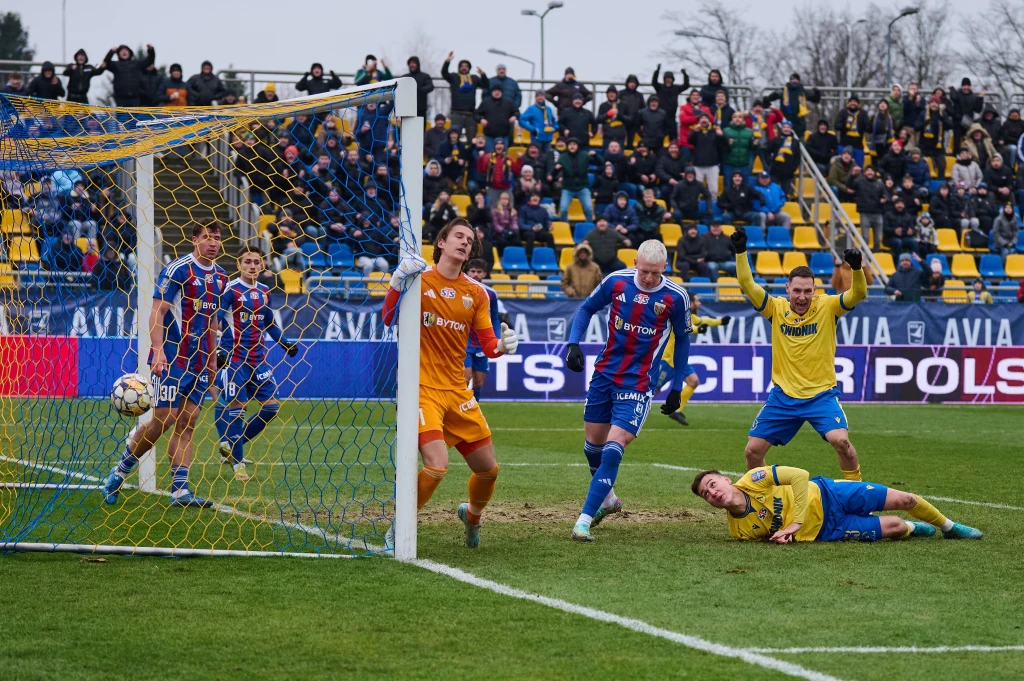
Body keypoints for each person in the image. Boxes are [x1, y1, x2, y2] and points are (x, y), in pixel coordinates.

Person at [381, 217, 519, 549]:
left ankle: (472, 516)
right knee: (437, 465)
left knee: (489, 470)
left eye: (469, 240)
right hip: (422, 389)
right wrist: (398, 282)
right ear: (441, 242)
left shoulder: (477, 293)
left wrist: (501, 347)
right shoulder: (420, 280)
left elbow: (488, 345)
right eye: (458, 236)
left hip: (457, 391)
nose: (464, 243)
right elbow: (388, 318)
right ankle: (399, 527)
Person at [563, 240, 692, 542]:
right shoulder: (615, 282)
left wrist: (676, 386)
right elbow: (586, 308)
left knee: (612, 449)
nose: (649, 278)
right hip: (605, 374)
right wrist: (572, 343)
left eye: (655, 273)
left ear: (665, 269)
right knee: (591, 448)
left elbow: (684, 340)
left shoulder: (675, 297)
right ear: (635, 262)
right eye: (644, 271)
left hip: (638, 382)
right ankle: (608, 501)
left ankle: (582, 520)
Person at [103, 219, 228, 508]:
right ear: (194, 239)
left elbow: (212, 324)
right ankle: (119, 472)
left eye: (217, 238)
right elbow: (156, 312)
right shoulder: (178, 270)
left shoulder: (220, 277)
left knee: (189, 422)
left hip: (198, 363)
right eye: (208, 237)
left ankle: (180, 492)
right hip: (171, 359)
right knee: (164, 420)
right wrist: (157, 351)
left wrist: (211, 366)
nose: (213, 243)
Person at [730, 229, 866, 479]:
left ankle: (855, 495)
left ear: (815, 289)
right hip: (783, 397)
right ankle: (763, 499)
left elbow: (858, 294)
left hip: (820, 395)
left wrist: (856, 269)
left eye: (807, 291)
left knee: (842, 443)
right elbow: (747, 284)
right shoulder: (775, 308)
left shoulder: (827, 306)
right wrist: (741, 253)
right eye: (797, 291)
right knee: (752, 451)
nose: (802, 297)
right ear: (787, 289)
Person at [691, 465, 983, 543]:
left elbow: (800, 476)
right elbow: (772, 536)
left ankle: (950, 526)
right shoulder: (739, 532)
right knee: (895, 525)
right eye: (706, 494)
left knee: (905, 499)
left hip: (830, 493)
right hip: (829, 529)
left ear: (727, 480)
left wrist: (795, 522)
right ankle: (912, 528)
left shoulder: (754, 478)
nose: (712, 492)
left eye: (713, 484)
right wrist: (786, 536)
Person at [213, 248, 298, 481]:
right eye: (247, 262)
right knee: (237, 409)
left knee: (271, 408)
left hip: (258, 360)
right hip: (236, 360)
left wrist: (285, 343)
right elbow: (216, 321)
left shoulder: (264, 291)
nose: (252, 266)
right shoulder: (231, 290)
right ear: (239, 265)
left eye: (256, 262)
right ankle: (238, 465)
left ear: (262, 266)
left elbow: (269, 323)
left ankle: (232, 444)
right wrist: (219, 350)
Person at [653, 294, 729, 426]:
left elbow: (703, 321)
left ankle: (676, 411)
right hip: (668, 361)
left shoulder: (690, 316)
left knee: (694, 381)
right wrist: (699, 330)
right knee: (653, 390)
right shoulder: (677, 315)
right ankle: (632, 410)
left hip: (679, 361)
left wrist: (720, 322)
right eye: (697, 301)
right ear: (690, 303)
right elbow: (686, 327)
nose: (699, 304)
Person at [462, 258, 504, 403]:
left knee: (479, 382)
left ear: (484, 274)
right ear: (467, 272)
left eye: (478, 272)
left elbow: (495, 318)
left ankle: (475, 410)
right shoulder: (461, 289)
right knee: (465, 379)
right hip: (463, 342)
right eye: (472, 271)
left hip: (481, 343)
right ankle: (459, 411)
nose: (475, 274)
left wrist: (497, 338)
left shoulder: (491, 294)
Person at [442, 53, 489, 139]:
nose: (464, 68)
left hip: (470, 114)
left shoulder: (474, 78)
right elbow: (444, 73)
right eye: (462, 66)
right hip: (456, 113)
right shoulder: (454, 77)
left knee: (472, 138)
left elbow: (485, 85)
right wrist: (447, 62)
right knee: (454, 138)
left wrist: (482, 74)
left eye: (466, 66)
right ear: (459, 68)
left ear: (469, 68)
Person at [764, 73, 821, 140]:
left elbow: (815, 99)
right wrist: (770, 106)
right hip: (785, 122)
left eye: (796, 79)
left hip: (799, 124)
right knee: (782, 143)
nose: (794, 81)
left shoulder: (802, 91)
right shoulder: (783, 90)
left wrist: (817, 93)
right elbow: (767, 99)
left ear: (799, 81)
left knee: (799, 145)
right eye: (792, 79)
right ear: (790, 80)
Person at [553, 137, 594, 222]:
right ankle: (565, 227)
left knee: (589, 209)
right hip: (568, 188)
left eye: (574, 144)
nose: (572, 146)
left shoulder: (584, 155)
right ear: (567, 146)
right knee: (563, 209)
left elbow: (601, 162)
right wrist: (556, 169)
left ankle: (588, 228)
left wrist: (595, 156)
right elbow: (553, 174)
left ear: (578, 146)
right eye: (570, 144)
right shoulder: (563, 157)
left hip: (583, 187)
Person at [687, 113, 724, 204]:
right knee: (696, 190)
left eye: (705, 118)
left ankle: (713, 207)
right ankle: (696, 207)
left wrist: (721, 135)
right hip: (698, 166)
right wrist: (695, 131)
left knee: (713, 190)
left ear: (709, 120)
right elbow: (689, 141)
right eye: (702, 118)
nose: (704, 120)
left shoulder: (714, 131)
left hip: (712, 166)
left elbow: (724, 144)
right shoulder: (696, 131)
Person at [916, 95, 953, 179]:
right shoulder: (923, 114)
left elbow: (950, 125)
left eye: (936, 103)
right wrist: (925, 123)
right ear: (929, 104)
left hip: (938, 148)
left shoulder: (942, 114)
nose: (934, 104)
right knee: (922, 166)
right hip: (924, 147)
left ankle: (940, 187)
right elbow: (916, 127)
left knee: (942, 166)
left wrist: (942, 118)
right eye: (932, 102)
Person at [475, 83, 519, 151]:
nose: (497, 92)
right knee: (489, 156)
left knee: (503, 158)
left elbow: (517, 112)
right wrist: (481, 119)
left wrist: (514, 116)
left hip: (504, 136)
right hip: (489, 136)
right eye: (495, 91)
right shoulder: (485, 102)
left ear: (502, 92)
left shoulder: (508, 102)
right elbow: (476, 114)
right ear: (492, 92)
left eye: (498, 91)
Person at [651, 65, 689, 142]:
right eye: (666, 79)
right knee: (660, 136)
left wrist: (685, 74)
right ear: (664, 80)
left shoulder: (676, 88)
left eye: (670, 79)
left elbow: (686, 85)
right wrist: (657, 71)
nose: (668, 80)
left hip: (672, 117)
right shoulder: (660, 87)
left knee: (673, 138)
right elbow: (654, 82)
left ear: (672, 80)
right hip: (661, 116)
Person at [949, 78, 985, 153]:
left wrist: (980, 99)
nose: (966, 87)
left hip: (968, 123)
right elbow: (953, 97)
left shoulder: (973, 96)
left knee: (968, 142)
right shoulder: (957, 94)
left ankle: (967, 156)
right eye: (964, 85)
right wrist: (952, 88)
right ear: (961, 86)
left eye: (967, 85)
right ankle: (957, 156)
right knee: (957, 142)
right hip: (957, 122)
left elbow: (977, 109)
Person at [853, 166, 886, 246]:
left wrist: (885, 199)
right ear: (864, 172)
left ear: (874, 173)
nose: (870, 172)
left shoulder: (880, 184)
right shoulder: (859, 181)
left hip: (878, 213)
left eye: (871, 170)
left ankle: (875, 255)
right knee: (865, 238)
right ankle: (864, 256)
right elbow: (850, 186)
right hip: (865, 212)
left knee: (878, 239)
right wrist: (853, 175)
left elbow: (886, 195)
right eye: (868, 170)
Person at [767, 120, 801, 196]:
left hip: (788, 172)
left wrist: (793, 168)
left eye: (788, 127)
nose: (786, 129)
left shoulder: (795, 142)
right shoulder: (775, 140)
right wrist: (770, 162)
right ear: (781, 128)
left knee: (784, 193)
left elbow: (797, 157)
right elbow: (767, 152)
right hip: (775, 171)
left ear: (791, 129)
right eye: (784, 127)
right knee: (773, 192)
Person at [478, 138, 514, 207]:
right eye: (497, 144)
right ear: (494, 146)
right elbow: (481, 170)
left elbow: (517, 171)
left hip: (506, 188)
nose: (499, 146)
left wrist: (520, 160)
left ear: (504, 146)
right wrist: (480, 159)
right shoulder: (487, 157)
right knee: (492, 210)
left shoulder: (509, 158)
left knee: (509, 209)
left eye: (501, 144)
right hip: (492, 188)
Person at [722, 111, 755, 183]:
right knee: (728, 185)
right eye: (735, 117)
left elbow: (753, 148)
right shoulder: (725, 131)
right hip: (729, 163)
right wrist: (728, 144)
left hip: (744, 164)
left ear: (743, 119)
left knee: (745, 185)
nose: (737, 119)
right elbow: (721, 148)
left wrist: (755, 144)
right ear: (732, 119)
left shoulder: (749, 131)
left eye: (740, 117)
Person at [678, 89, 711, 159]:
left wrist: (703, 114)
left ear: (700, 97)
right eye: (693, 95)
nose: (695, 97)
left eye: (697, 95)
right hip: (686, 141)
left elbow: (711, 119)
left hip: (700, 141)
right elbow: (683, 119)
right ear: (690, 97)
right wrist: (697, 118)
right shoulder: (684, 107)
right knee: (686, 163)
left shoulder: (705, 108)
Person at [518, 191, 553, 256]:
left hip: (539, 232)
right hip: (526, 232)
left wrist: (549, 226)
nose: (535, 198)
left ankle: (552, 256)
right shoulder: (523, 209)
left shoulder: (543, 210)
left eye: (537, 196)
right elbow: (521, 224)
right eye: (533, 196)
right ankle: (528, 257)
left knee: (549, 236)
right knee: (531, 235)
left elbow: (547, 221)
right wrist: (532, 228)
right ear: (529, 198)